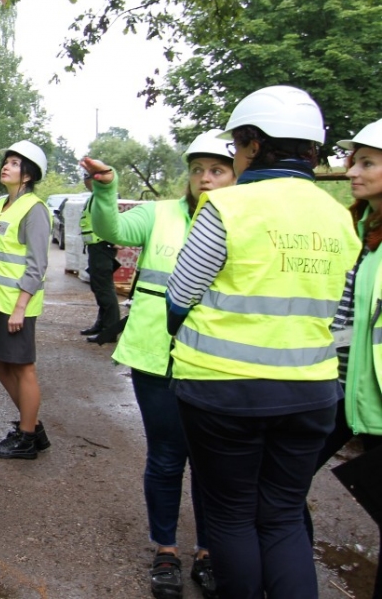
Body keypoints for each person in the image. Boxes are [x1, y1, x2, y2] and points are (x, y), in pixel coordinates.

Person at [165, 86, 360, 599]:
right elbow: (341, 312)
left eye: (235, 146)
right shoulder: (339, 216)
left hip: (223, 391)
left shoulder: (227, 207)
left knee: (231, 517)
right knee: (282, 518)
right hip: (311, 392)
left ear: (251, 143)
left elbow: (180, 295)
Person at [83, 129, 235, 599]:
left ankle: (210, 551)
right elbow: (112, 231)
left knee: (213, 465)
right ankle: (165, 550)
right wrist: (107, 189)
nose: (204, 179)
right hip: (157, 356)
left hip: (218, 361)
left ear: (237, 174)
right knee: (168, 458)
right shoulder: (160, 212)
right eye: (197, 171)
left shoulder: (247, 218)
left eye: (217, 171)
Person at [310, 118, 382, 599]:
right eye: (354, 160)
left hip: (372, 399)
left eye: (367, 162)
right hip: (342, 388)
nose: (352, 171)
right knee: (284, 483)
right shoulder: (361, 228)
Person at [0, 140, 52, 460]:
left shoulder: (34, 210)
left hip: (17, 304)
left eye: (15, 163)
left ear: (28, 176)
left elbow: (37, 264)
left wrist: (20, 306)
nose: (6, 166)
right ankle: (32, 426)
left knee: (23, 369)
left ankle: (27, 437)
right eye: (6, 161)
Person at [79, 172, 121, 344]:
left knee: (105, 290)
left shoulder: (102, 197)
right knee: (99, 288)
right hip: (96, 248)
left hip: (102, 246)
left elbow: (110, 220)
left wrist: (112, 241)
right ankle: (101, 324)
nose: (85, 181)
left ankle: (109, 331)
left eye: (87, 178)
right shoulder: (94, 197)